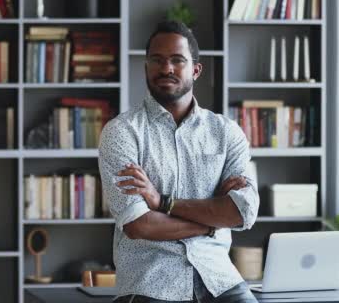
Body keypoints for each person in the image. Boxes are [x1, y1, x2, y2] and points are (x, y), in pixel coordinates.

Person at [98, 21, 259, 303]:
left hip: (220, 280)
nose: (166, 68)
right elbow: (140, 226)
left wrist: (162, 203)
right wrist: (211, 223)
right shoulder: (121, 132)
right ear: (146, 67)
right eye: (157, 60)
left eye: (177, 60)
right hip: (150, 283)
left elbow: (241, 213)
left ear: (196, 70)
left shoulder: (226, 132)